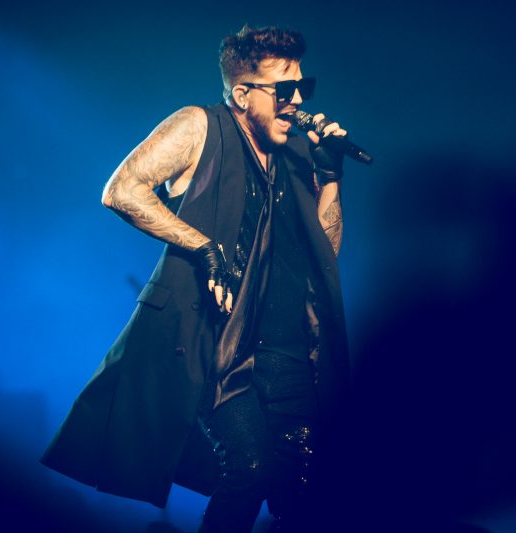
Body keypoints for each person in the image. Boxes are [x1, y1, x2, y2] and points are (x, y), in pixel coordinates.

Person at [41, 25, 352, 532]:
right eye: (284, 90)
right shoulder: (199, 126)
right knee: (249, 468)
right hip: (221, 349)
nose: (297, 101)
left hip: (289, 350)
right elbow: (122, 190)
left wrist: (331, 177)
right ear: (243, 94)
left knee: (304, 482)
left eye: (303, 87)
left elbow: (326, 256)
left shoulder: (298, 154)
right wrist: (201, 244)